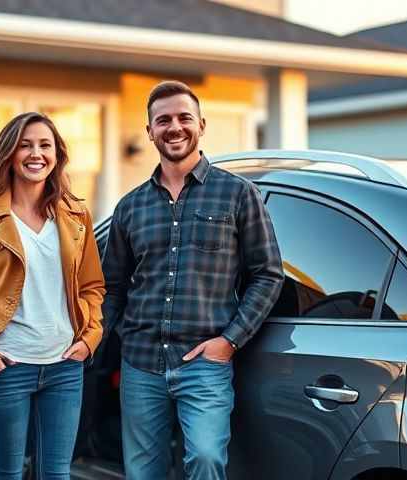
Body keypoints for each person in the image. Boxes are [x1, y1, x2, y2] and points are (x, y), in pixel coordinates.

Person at [102, 81, 284, 480]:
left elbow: (268, 275)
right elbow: (111, 287)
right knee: (141, 471)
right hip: (141, 363)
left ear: (201, 125)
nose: (174, 127)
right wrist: (100, 338)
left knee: (205, 459)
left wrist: (229, 341)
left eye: (184, 118)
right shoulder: (130, 207)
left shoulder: (238, 194)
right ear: (150, 131)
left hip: (204, 362)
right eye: (162, 120)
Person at [0, 112, 105, 480]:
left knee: (56, 474)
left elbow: (92, 286)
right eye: (25, 145)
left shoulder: (76, 215)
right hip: (6, 368)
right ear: (8, 154)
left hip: (64, 368)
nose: (35, 153)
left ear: (57, 154)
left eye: (45, 145)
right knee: (7, 473)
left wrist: (90, 339)